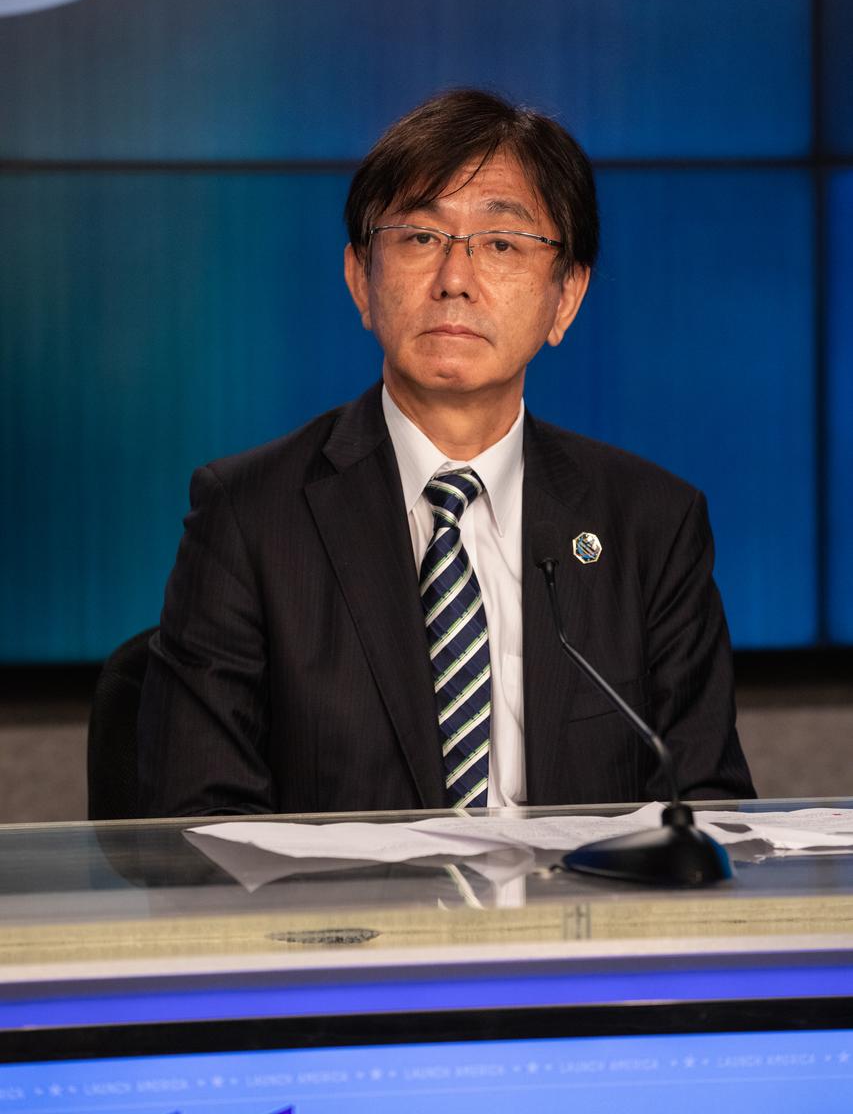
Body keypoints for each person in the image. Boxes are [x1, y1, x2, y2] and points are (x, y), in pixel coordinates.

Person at [137, 88, 754, 817]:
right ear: (360, 279)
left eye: (502, 244)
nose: (454, 280)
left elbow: (706, 809)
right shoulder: (249, 518)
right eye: (419, 238)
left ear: (565, 297)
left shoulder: (652, 526)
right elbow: (197, 821)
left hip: (583, 897)